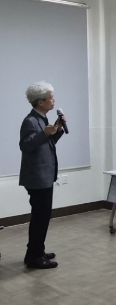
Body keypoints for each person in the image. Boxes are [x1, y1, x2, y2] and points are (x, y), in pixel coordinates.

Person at [19, 82, 66, 270]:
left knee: (43, 217)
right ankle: (34, 258)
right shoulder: (30, 121)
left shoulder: (42, 119)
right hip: (37, 178)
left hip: (44, 176)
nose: (54, 101)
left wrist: (58, 128)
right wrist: (44, 133)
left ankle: (36, 251)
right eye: (50, 98)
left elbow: (47, 143)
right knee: (40, 217)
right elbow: (25, 146)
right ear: (40, 102)